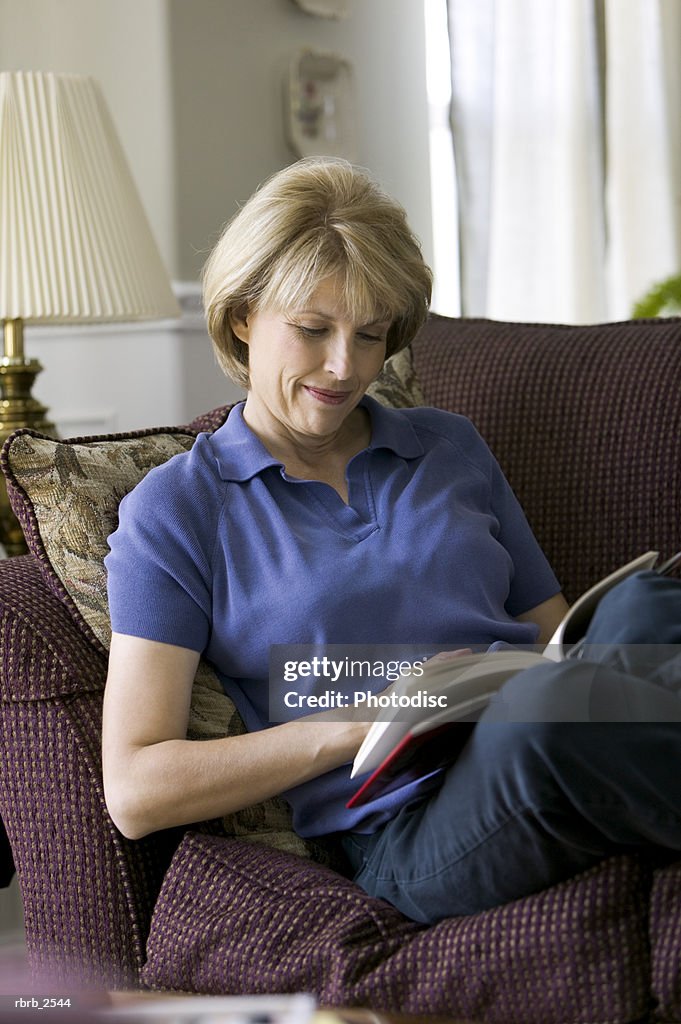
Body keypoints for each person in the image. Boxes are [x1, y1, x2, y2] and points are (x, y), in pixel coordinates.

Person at [102, 157, 681, 925]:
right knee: (543, 718)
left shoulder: (447, 447)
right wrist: (364, 720)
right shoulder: (176, 510)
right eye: (312, 330)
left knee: (644, 607)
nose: (344, 367)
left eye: (370, 336)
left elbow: (558, 636)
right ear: (243, 315)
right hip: (409, 826)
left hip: (536, 716)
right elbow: (137, 789)